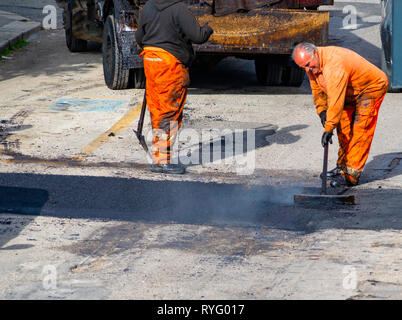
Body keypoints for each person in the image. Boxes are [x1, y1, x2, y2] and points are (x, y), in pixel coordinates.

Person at [292, 43, 388, 187]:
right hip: (350, 90)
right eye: (303, 67)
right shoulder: (312, 64)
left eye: (308, 65)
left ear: (315, 53)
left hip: (370, 88)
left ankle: (351, 174)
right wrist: (322, 111)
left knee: (360, 129)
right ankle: (343, 167)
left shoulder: (334, 64)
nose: (307, 70)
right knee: (343, 127)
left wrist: (329, 128)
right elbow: (317, 89)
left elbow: (335, 99)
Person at [135, 0, 213, 174]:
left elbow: (139, 37)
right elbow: (199, 36)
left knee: (157, 109)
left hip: (151, 61)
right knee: (169, 112)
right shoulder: (179, 9)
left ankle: (159, 156)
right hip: (170, 64)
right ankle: (162, 161)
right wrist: (209, 27)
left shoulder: (148, 6)